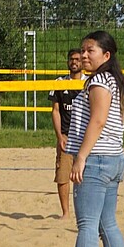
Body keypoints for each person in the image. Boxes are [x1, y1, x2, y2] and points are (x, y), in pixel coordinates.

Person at [62, 30, 124, 247]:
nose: (84, 55)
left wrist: (80, 158)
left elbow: (98, 120)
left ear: (106, 54)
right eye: (83, 50)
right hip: (113, 159)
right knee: (107, 223)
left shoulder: (100, 81)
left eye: (90, 50)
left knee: (88, 225)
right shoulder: (113, 80)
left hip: (97, 160)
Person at [48, 49, 85, 219]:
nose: (74, 62)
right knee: (62, 175)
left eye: (77, 59)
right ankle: (66, 213)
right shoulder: (60, 82)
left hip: (85, 137)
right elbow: (55, 111)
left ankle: (84, 212)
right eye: (71, 59)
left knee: (86, 177)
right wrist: (60, 136)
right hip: (66, 137)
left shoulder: (90, 82)